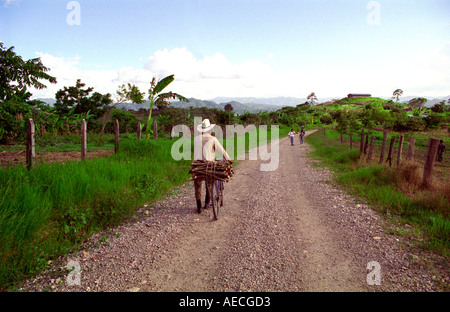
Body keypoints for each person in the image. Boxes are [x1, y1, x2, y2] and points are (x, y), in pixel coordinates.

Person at [194, 119, 233, 213]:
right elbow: (221, 150)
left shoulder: (196, 139)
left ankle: (198, 206)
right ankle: (207, 203)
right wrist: (228, 158)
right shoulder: (212, 139)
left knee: (197, 186)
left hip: (197, 165)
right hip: (208, 164)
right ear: (209, 129)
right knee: (209, 183)